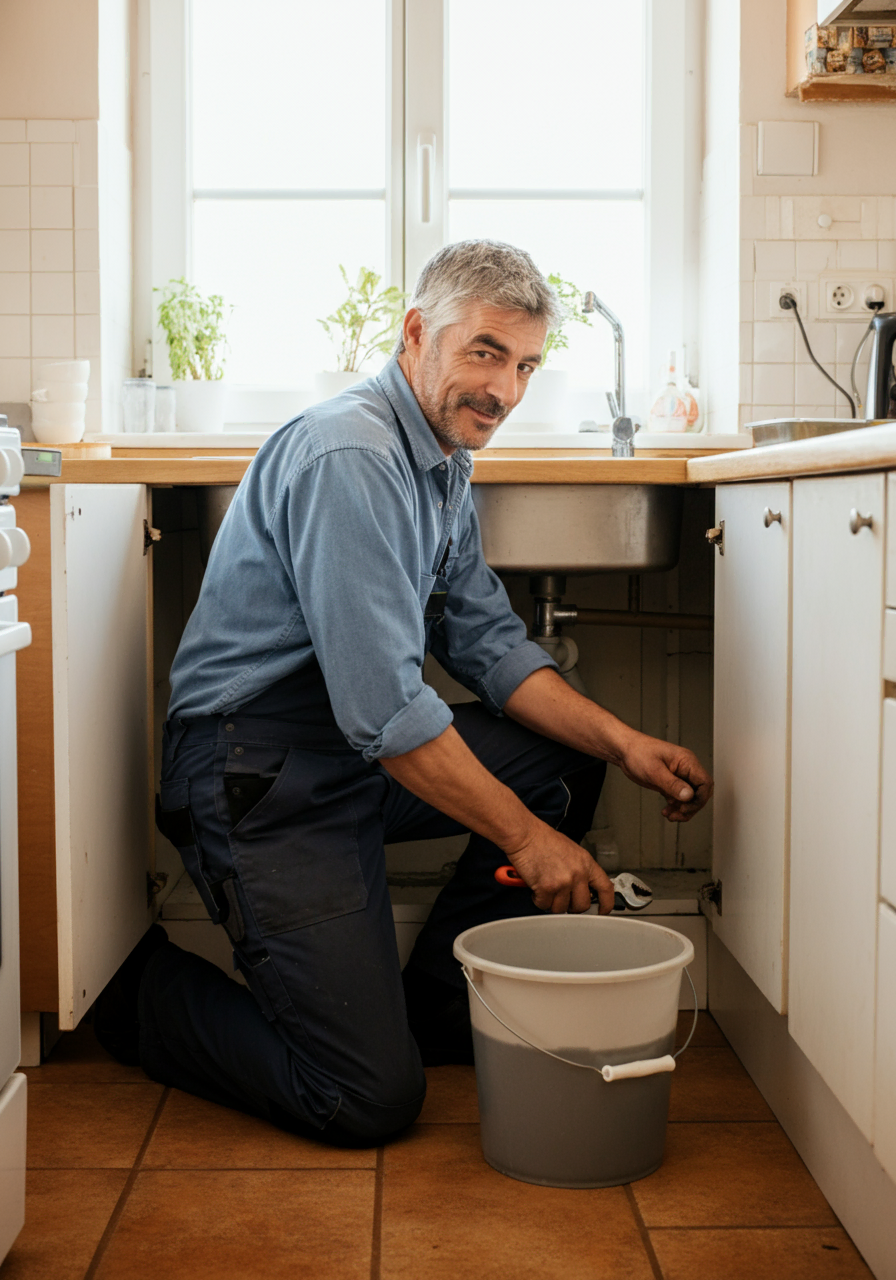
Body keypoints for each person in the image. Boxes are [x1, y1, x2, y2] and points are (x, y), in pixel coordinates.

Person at [95, 240, 712, 1147]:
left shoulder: (441, 459)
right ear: (417, 333)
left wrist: (623, 744)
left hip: (343, 758)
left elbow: (491, 644)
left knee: (566, 756)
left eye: (527, 366)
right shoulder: (351, 455)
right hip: (254, 775)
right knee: (360, 1099)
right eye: (486, 353)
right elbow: (387, 710)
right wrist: (530, 840)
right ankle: (133, 992)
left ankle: (430, 1015)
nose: (505, 391)